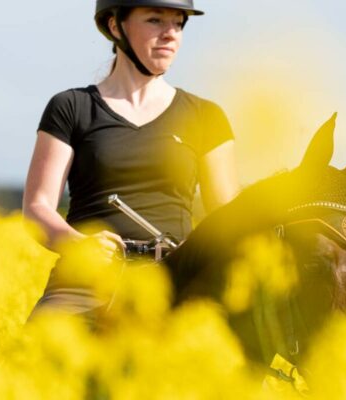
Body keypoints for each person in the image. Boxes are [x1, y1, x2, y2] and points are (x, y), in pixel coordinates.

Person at [23, 0, 239, 321]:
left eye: (178, 23)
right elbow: (37, 208)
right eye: (155, 20)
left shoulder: (206, 117)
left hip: (173, 282)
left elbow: (228, 216)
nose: (171, 34)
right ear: (115, 26)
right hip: (83, 284)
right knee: (39, 352)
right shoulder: (70, 107)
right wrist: (78, 244)